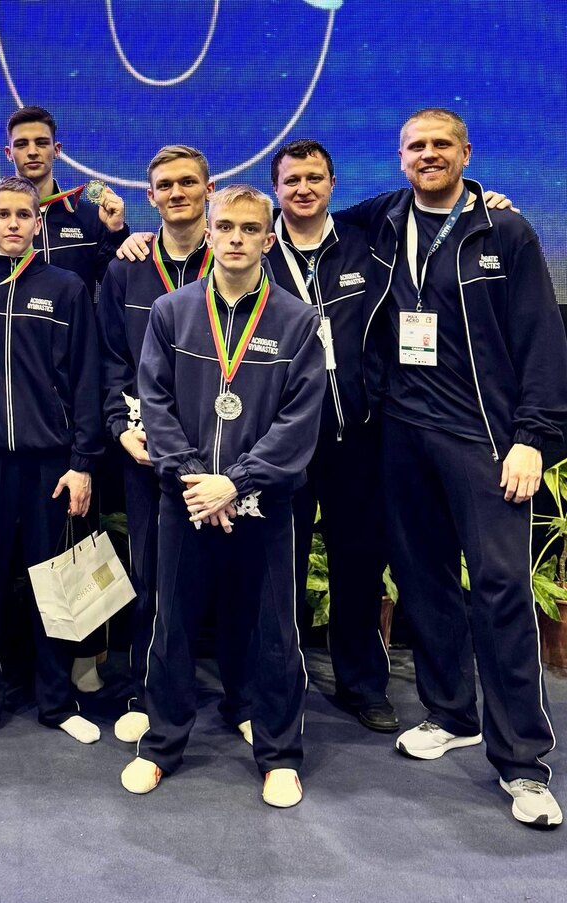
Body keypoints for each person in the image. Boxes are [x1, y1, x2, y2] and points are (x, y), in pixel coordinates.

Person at [341, 109, 567, 828]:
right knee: (423, 580)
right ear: (400, 157)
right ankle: (451, 712)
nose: (428, 155)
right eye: (416, 146)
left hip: (486, 440)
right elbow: (298, 215)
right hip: (403, 434)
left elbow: (542, 340)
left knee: (501, 589)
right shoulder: (382, 220)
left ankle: (523, 762)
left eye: (442, 145)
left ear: (468, 153)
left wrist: (533, 436)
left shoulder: (504, 230)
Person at [122, 185, 324, 808]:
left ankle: (280, 756)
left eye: (250, 228)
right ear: (209, 234)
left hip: (262, 504)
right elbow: (153, 401)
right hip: (185, 499)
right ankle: (161, 746)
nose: (237, 238)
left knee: (274, 633)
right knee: (172, 627)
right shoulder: (172, 312)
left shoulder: (298, 321)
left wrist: (235, 481)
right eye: (226, 226)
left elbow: (299, 420)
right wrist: (195, 480)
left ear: (269, 239)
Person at [0, 176, 104, 748]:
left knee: (55, 583)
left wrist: (83, 461)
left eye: (22, 215)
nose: (12, 223)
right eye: (2, 215)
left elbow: (86, 379)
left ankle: (57, 702)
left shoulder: (66, 289)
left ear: (38, 222)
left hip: (49, 463)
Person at [266, 139, 397, 733]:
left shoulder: (364, 244)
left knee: (359, 566)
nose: (303, 189)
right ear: (276, 189)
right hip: (283, 443)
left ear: (332, 184)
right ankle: (279, 685)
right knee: (281, 569)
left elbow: (418, 201)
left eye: (314, 178)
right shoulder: (260, 250)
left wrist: (480, 200)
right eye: (292, 180)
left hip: (355, 439)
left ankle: (363, 684)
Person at [96, 145, 223, 743]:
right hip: (146, 449)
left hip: (220, 454)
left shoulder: (233, 258)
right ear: (150, 197)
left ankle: (241, 699)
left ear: (208, 189)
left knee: (231, 576)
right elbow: (109, 359)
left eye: (188, 183)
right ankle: (146, 693)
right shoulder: (127, 269)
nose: (177, 193)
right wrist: (120, 428)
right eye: (165, 185)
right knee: (150, 575)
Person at [0, 106, 127, 292]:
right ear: (8, 153)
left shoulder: (91, 218)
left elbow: (117, 288)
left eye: (41, 143)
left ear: (57, 150)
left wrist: (117, 232)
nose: (32, 152)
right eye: (21, 144)